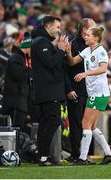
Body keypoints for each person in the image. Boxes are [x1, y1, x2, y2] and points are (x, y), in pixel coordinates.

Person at [66, 26, 111, 165]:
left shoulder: (100, 52)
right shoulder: (87, 50)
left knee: (85, 124)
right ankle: (109, 153)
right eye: (85, 35)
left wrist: (85, 73)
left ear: (96, 38)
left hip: (99, 93)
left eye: (88, 35)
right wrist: (68, 52)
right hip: (94, 93)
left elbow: (103, 68)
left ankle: (82, 158)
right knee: (92, 126)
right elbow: (72, 62)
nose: (85, 37)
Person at [31, 16, 68, 166]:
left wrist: (61, 51)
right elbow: (51, 62)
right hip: (48, 91)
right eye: (57, 27)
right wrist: (60, 50)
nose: (59, 30)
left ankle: (43, 157)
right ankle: (44, 156)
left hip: (47, 90)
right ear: (49, 26)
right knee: (53, 121)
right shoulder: (41, 42)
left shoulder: (42, 42)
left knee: (46, 122)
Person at [66, 18, 96, 162]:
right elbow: (66, 68)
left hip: (88, 90)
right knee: (77, 123)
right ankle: (76, 154)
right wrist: (69, 89)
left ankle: (84, 154)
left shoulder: (91, 45)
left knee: (87, 124)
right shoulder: (73, 44)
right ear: (84, 30)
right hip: (76, 90)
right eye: (92, 27)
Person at [2, 32, 32, 132]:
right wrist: (32, 70)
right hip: (15, 102)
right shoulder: (16, 58)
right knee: (16, 131)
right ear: (28, 47)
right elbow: (19, 75)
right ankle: (14, 148)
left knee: (20, 132)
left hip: (20, 102)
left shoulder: (22, 59)